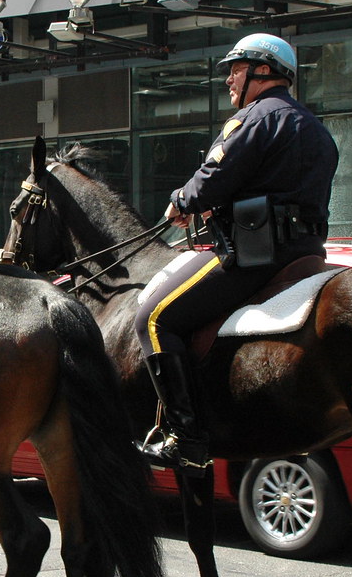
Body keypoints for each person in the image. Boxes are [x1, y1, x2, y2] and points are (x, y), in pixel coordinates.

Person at [133, 33, 339, 475]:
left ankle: (185, 436)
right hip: (305, 254)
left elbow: (213, 177)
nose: (228, 78)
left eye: (236, 68)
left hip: (255, 255)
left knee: (152, 318)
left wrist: (181, 201)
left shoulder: (254, 118)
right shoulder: (316, 128)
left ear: (263, 71)